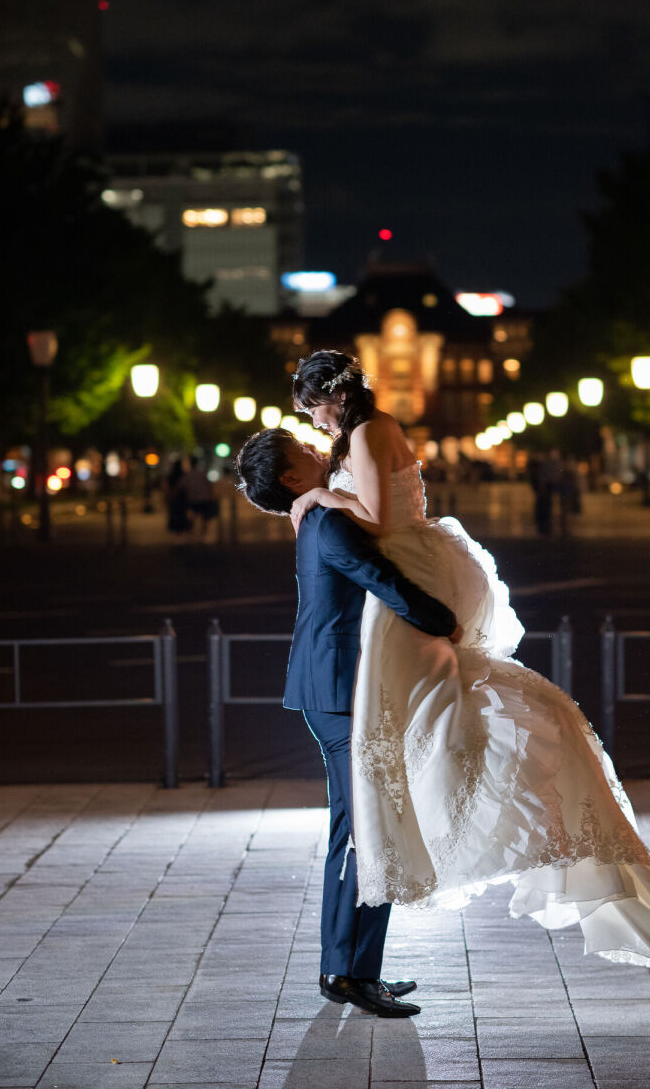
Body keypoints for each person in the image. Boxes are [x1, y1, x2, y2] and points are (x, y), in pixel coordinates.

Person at [284, 350, 650, 984]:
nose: (318, 424)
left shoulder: (367, 431)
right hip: (421, 566)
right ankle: (424, 844)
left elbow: (376, 517)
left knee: (415, 730)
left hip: (412, 578)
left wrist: (317, 492)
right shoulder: (371, 429)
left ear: (331, 398)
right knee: (424, 727)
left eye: (314, 410)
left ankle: (444, 829)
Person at [235, 428, 461, 1017]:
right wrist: (440, 618)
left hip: (339, 687)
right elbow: (381, 581)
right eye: (304, 453)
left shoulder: (322, 513)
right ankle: (343, 970)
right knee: (361, 830)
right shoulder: (327, 522)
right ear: (290, 479)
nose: (317, 451)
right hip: (335, 693)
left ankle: (359, 970)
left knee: (370, 828)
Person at [181, 455, 218, 538]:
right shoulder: (202, 474)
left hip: (193, 498)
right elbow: (209, 485)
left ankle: (192, 531)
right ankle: (203, 532)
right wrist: (211, 495)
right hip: (203, 497)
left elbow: (182, 485)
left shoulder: (188, 475)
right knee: (204, 517)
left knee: (193, 515)